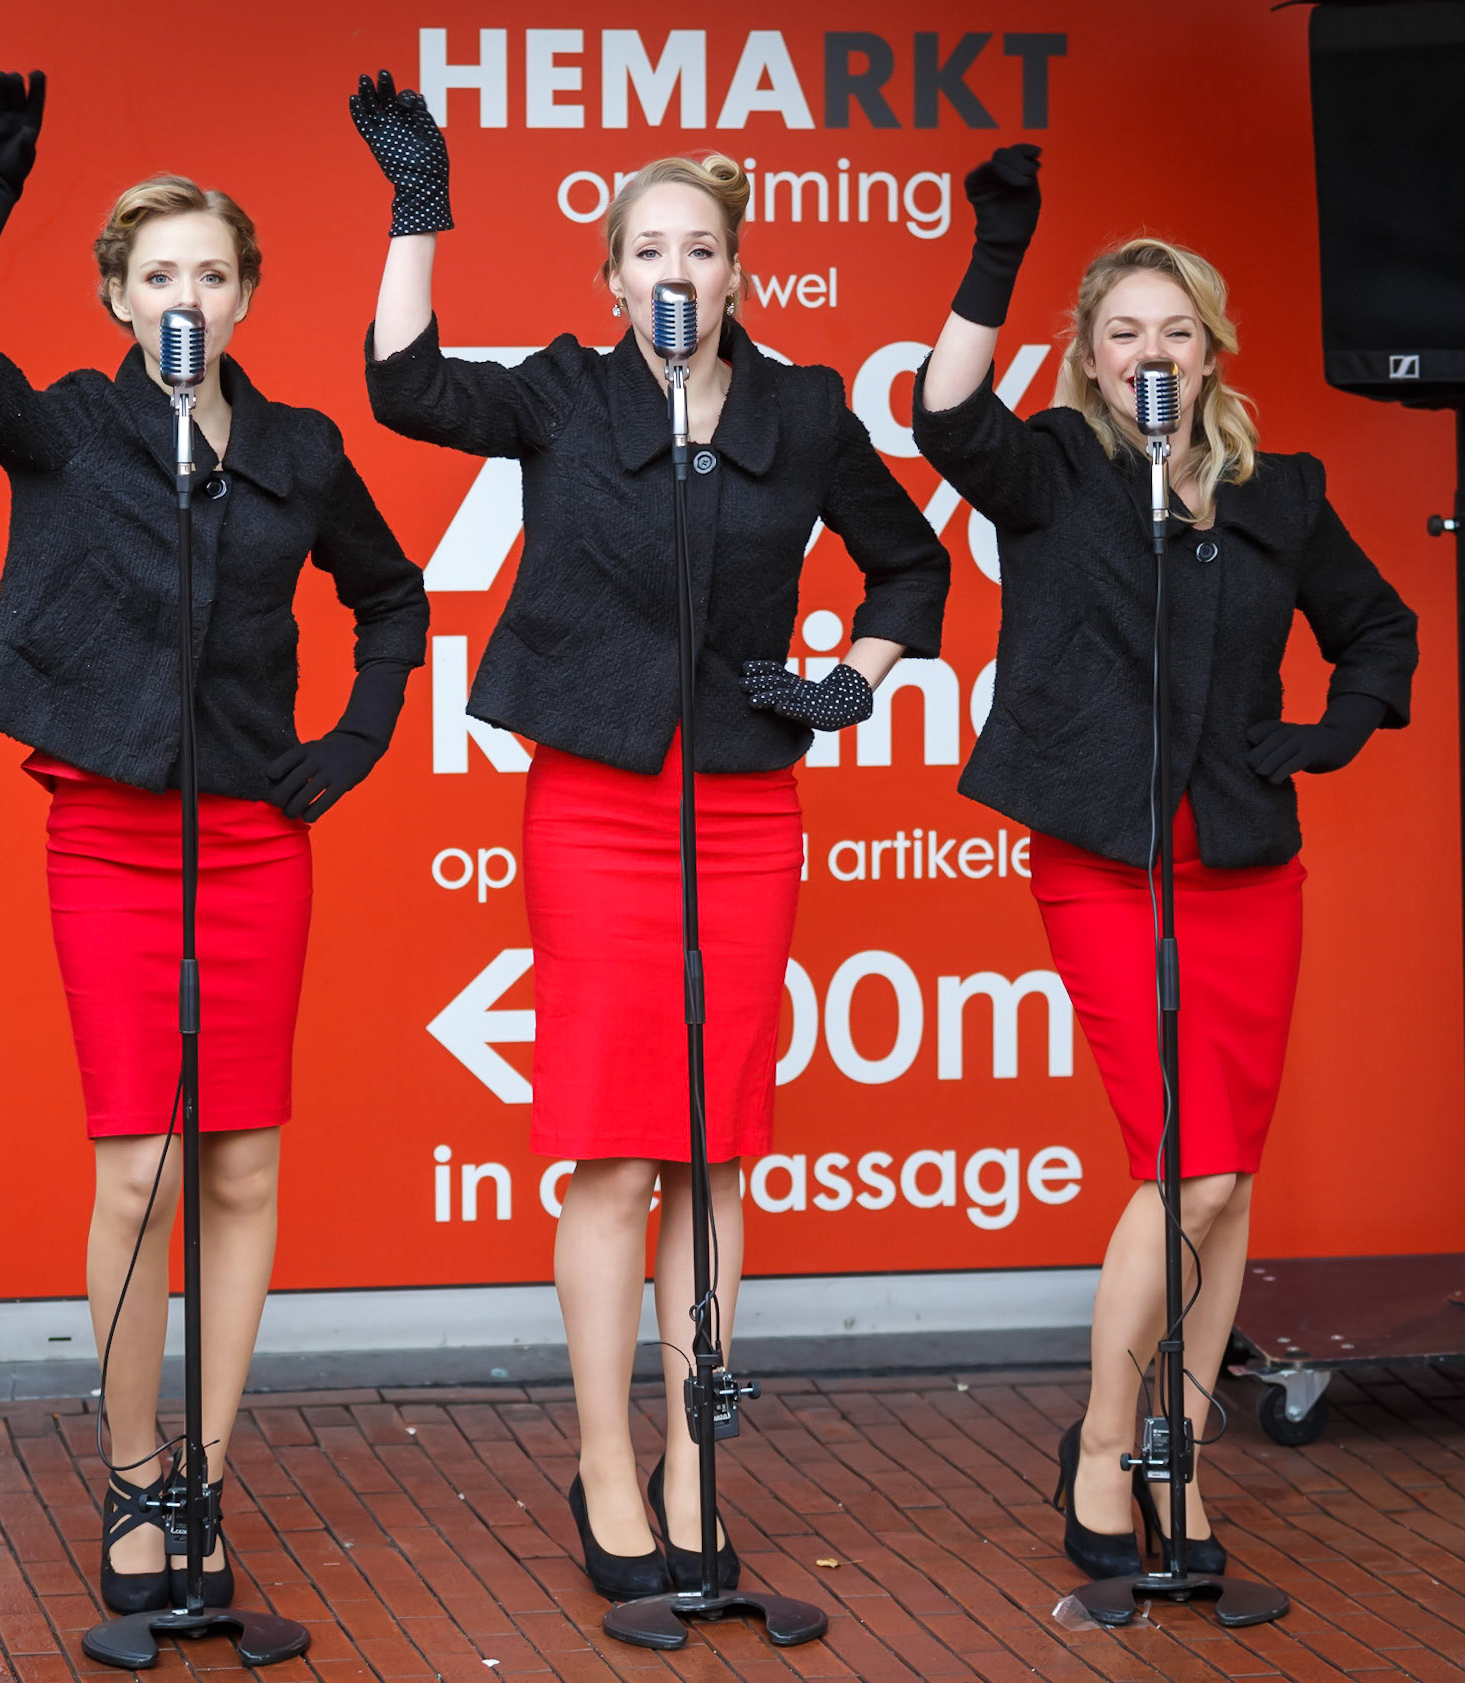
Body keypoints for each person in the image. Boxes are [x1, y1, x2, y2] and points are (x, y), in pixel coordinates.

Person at [350, 71, 950, 1599]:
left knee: (717, 1154)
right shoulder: (566, 393)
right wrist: (421, 212)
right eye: (648, 252)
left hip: (747, 806)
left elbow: (911, 574)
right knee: (618, 1155)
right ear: (609, 279)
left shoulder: (805, 409)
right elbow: (406, 389)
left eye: (700, 249)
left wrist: (847, 681)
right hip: (603, 810)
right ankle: (606, 1469)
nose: (675, 273)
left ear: (738, 269)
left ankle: (697, 1472)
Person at [0, 72, 428, 1613]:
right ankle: (133, 1479)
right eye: (158, 274)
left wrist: (354, 740)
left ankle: (206, 1473)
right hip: (114, 840)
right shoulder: (68, 428)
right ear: (120, 299)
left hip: (257, 840)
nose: (185, 294)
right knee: (140, 1171)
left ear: (247, 294)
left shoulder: (300, 449)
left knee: (244, 1165)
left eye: (212, 272)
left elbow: (391, 598)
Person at [915, 145, 1418, 1579]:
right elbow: (942, 415)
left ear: (1211, 352)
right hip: (1104, 860)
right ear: (1088, 353)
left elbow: (1380, 630)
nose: (1152, 351)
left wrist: (1331, 733)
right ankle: (1097, 1444)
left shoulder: (1282, 493)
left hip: (1248, 869)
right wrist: (995, 257)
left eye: (1175, 330)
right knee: (1187, 1168)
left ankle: (1180, 1460)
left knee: (1225, 1179)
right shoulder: (1057, 470)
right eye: (1123, 329)